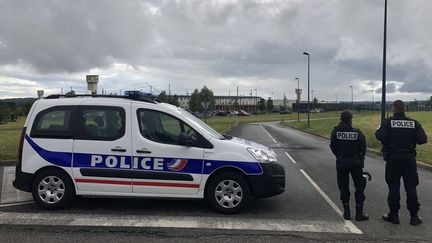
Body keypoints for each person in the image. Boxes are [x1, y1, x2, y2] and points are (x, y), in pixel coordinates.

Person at [376, 100, 427, 225]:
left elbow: (379, 135)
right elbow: (422, 139)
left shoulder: (388, 122)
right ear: (404, 109)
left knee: (394, 186)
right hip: (409, 158)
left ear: (393, 109)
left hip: (393, 158)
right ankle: (414, 216)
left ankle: (394, 215)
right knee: (411, 186)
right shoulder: (413, 123)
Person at [330, 110, 369, 221]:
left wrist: (339, 156)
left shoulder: (335, 132)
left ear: (341, 119)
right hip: (355, 163)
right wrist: (359, 158)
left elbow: (333, 146)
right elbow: (363, 147)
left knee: (343, 187)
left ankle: (346, 212)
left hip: (341, 162)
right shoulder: (357, 132)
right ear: (351, 119)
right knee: (359, 187)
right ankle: (359, 213)